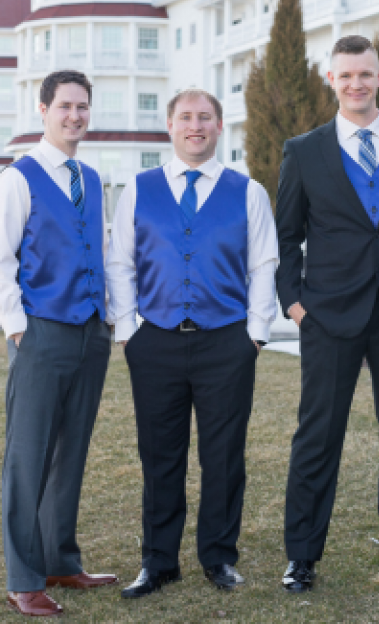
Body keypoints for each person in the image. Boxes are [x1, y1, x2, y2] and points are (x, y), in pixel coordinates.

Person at [276, 35, 379, 592]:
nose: (356, 84)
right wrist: (295, 304)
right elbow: (286, 239)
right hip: (329, 314)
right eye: (346, 75)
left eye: (365, 74)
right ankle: (302, 554)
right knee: (318, 434)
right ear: (332, 80)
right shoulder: (304, 150)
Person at [106, 89, 278, 598]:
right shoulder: (139, 189)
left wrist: (256, 335)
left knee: (224, 455)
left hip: (226, 342)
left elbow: (262, 266)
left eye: (205, 117)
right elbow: (120, 263)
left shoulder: (248, 192)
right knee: (160, 455)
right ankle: (158, 562)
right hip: (154, 341)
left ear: (220, 126)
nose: (195, 125)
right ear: (170, 125)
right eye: (186, 117)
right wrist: (127, 331)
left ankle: (219, 557)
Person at [0, 70, 116, 617]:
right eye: (65, 105)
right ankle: (24, 579)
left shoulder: (90, 178)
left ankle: (59, 560)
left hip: (91, 332)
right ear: (43, 109)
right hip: (41, 331)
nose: (75, 115)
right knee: (28, 458)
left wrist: (109, 318)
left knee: (71, 454)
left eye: (83, 107)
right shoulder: (18, 177)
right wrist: (17, 327)